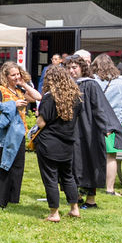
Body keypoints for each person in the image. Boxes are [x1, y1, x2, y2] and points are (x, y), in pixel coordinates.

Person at [65, 54, 121, 209]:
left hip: (90, 129)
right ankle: (76, 195)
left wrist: (106, 127)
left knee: (90, 161)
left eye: (74, 67)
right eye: (69, 68)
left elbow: (100, 108)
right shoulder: (68, 85)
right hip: (72, 130)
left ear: (82, 68)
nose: (71, 71)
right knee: (74, 162)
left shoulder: (91, 85)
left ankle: (91, 200)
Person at [0, 61, 41, 209]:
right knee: (3, 165)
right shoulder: (0, 90)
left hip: (19, 132)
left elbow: (38, 97)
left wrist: (24, 84)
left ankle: (10, 198)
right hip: (6, 134)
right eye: (13, 75)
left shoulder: (19, 90)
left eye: (18, 74)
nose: (16, 77)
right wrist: (13, 105)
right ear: (6, 76)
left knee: (17, 166)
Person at [35, 66, 82, 222]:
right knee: (68, 176)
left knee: (50, 178)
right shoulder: (75, 97)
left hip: (49, 143)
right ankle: (74, 209)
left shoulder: (49, 98)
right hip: (67, 142)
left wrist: (38, 115)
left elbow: (41, 123)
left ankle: (54, 213)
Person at [91, 53, 122, 196]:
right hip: (115, 122)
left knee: (91, 153)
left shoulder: (93, 80)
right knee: (111, 156)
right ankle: (109, 189)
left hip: (95, 121)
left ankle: (91, 184)